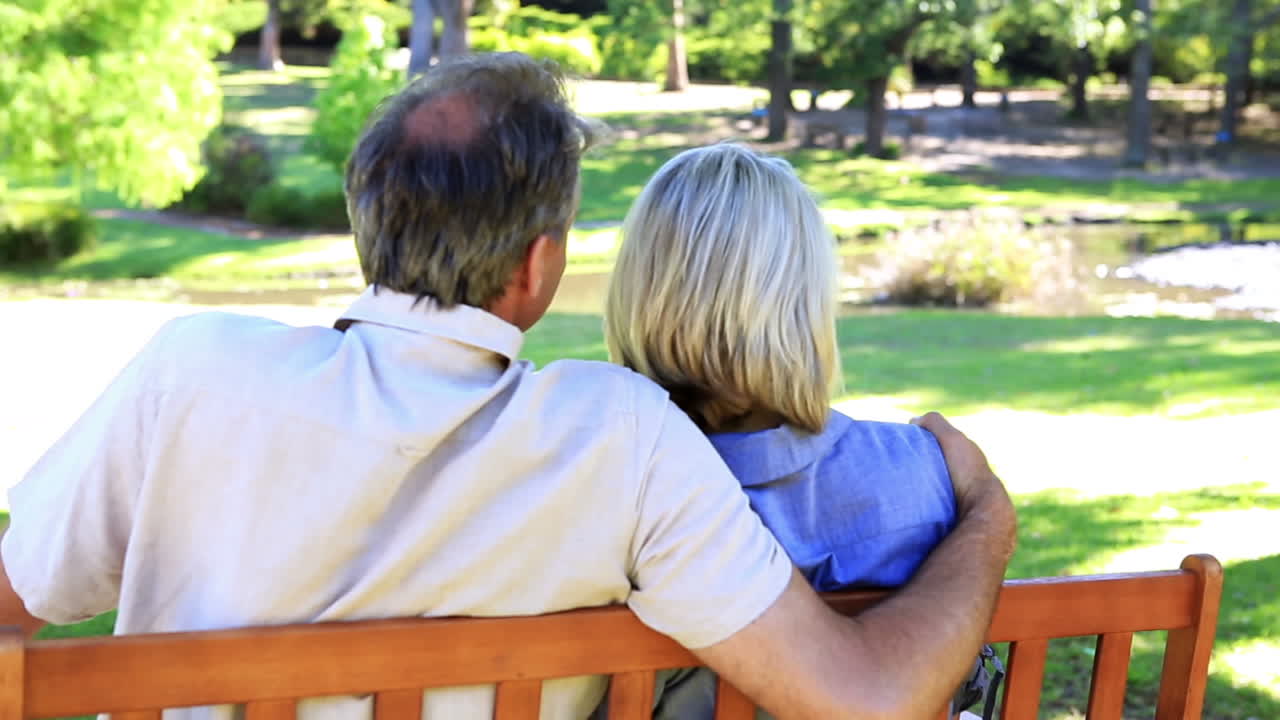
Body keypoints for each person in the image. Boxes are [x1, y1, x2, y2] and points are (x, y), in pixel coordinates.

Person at [0, 53, 1015, 720]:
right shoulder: (621, 439)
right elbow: (868, 703)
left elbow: (14, 605)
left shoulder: (195, 374)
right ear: (537, 267)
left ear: (370, 225)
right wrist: (982, 525)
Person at [601, 143, 968, 719]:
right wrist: (987, 504)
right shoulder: (922, 474)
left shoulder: (598, 486)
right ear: (804, 299)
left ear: (641, 294)